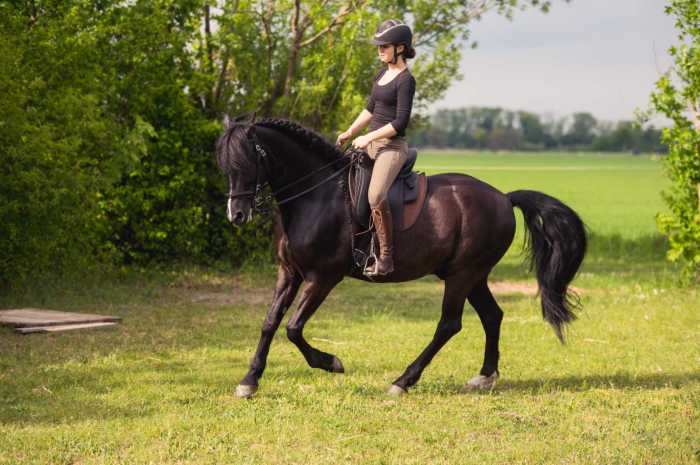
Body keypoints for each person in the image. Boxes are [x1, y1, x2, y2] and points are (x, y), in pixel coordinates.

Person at [336, 19, 417, 276]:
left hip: (392, 147)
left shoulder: (405, 80)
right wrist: (350, 132)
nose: (380, 50)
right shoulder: (382, 74)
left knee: (375, 195)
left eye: (385, 46)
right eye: (378, 46)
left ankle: (386, 257)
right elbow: (371, 109)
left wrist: (369, 139)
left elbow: (400, 122)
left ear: (401, 48)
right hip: (370, 143)